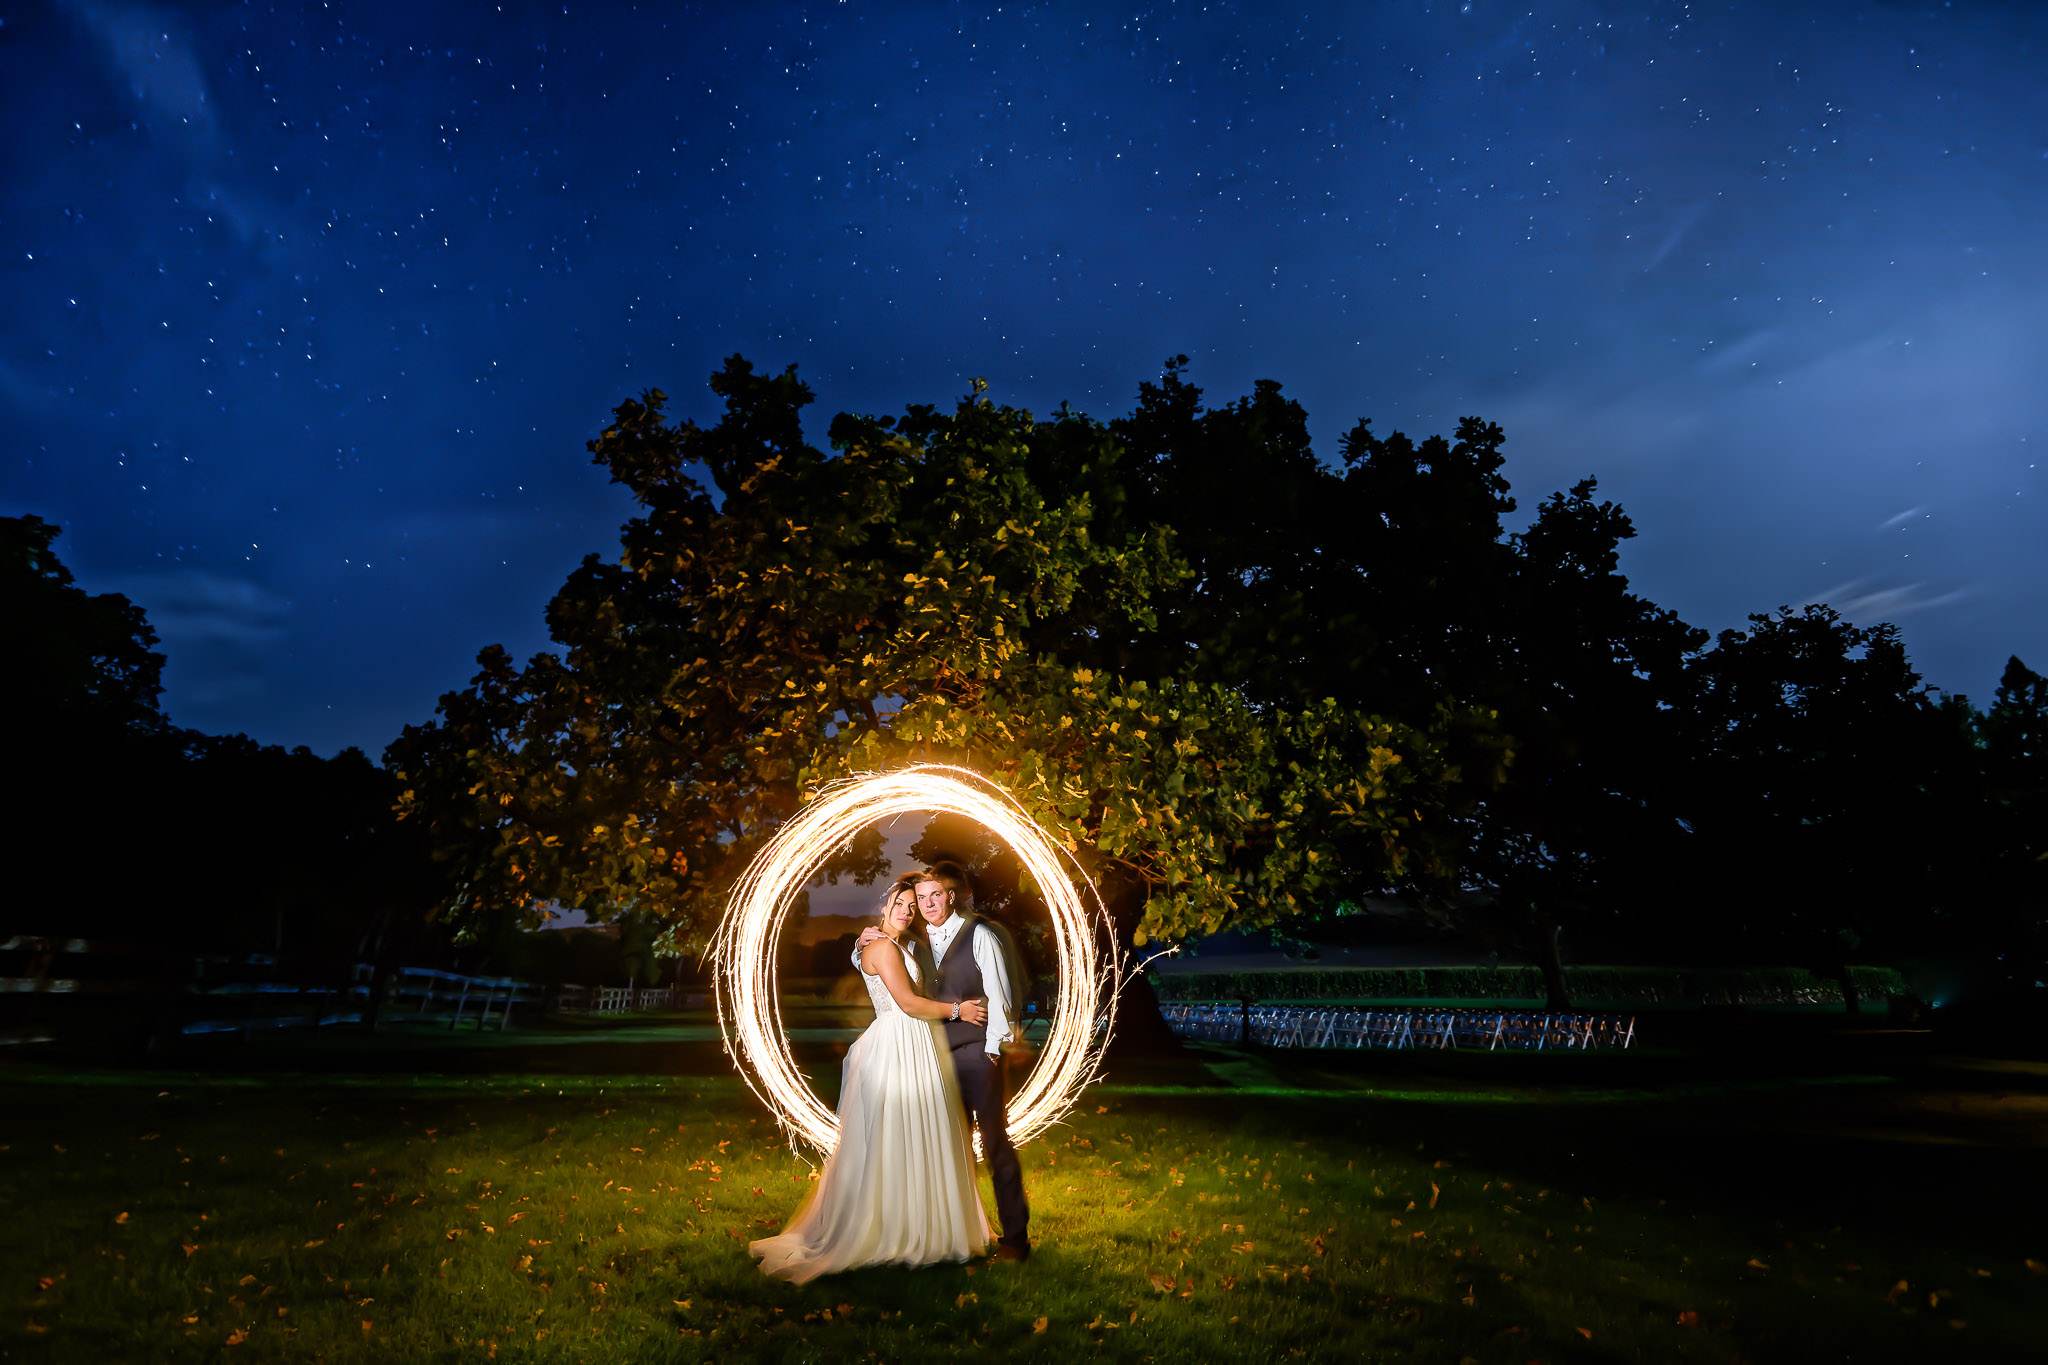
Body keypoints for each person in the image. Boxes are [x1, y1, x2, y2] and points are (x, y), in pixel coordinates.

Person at [750, 877, 991, 1282]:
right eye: (901, 903)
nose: (907, 911)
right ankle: (900, 1230)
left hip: (909, 1040)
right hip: (900, 1040)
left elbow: (877, 968)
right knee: (898, 1135)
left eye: (912, 907)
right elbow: (908, 1002)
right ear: (886, 903)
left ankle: (918, 1224)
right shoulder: (880, 945)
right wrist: (958, 1011)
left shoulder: (882, 944)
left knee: (906, 1135)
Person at [855, 860, 1032, 1260]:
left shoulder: (980, 935)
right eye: (921, 898)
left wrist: (992, 1050)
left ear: (951, 896)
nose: (927, 903)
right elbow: (882, 967)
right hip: (930, 1057)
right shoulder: (913, 939)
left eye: (936, 895)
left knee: (994, 1142)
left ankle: (1015, 1239)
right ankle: (953, 1233)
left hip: (975, 1054)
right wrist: (859, 945)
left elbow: (999, 995)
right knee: (945, 1146)